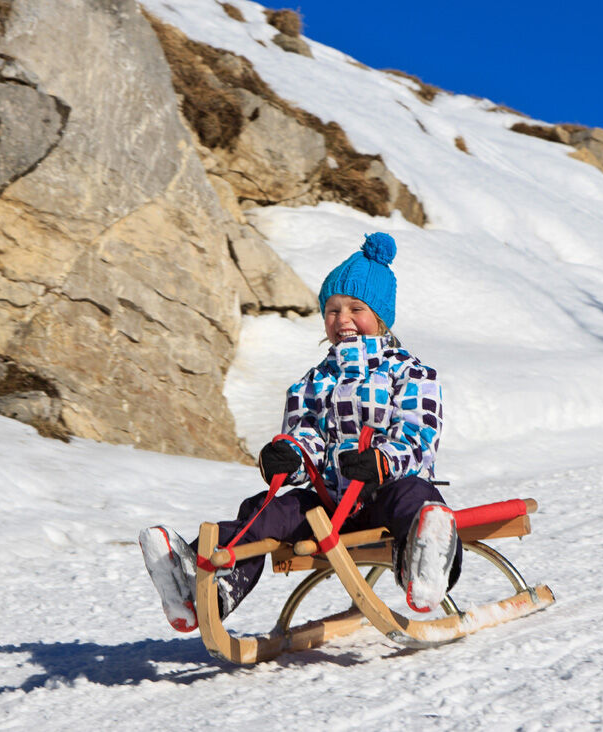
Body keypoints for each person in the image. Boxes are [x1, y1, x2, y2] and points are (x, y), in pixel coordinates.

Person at [139, 232, 461, 632]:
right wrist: (289, 455)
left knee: (415, 496)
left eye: (355, 308)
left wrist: (382, 461)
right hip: (329, 505)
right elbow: (306, 435)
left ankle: (427, 563)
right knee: (264, 510)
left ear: (380, 317)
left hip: (385, 495)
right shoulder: (314, 381)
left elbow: (419, 435)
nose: (342, 319)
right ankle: (201, 584)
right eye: (332, 310)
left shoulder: (410, 373)